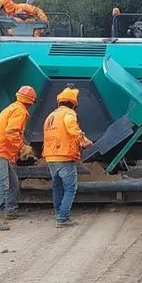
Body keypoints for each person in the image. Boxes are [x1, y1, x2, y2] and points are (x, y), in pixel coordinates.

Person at [0, 85, 36, 231]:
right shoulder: (19, 111)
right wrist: (22, 148)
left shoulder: (12, 107)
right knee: (2, 185)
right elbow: (11, 132)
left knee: (13, 182)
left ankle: (10, 210)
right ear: (30, 102)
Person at [43, 88, 93, 227]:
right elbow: (72, 128)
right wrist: (84, 140)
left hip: (50, 157)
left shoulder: (51, 116)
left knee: (57, 187)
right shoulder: (68, 114)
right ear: (73, 104)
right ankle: (63, 218)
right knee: (70, 188)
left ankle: (59, 212)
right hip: (64, 156)